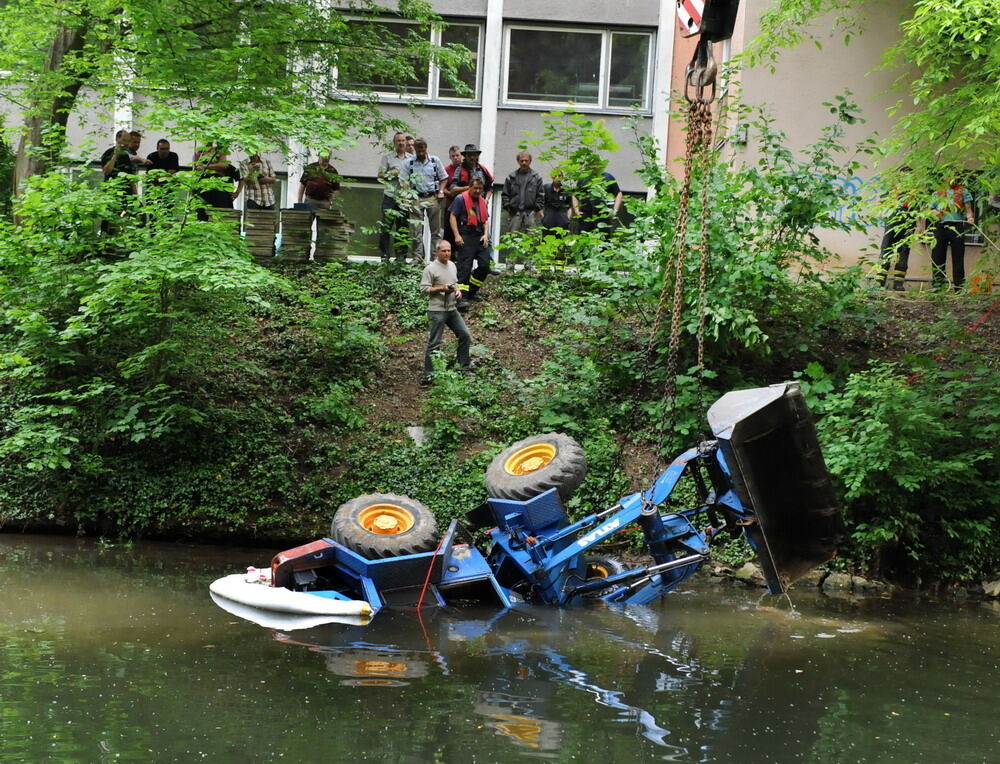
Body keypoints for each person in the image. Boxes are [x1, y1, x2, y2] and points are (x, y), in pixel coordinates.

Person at [420, 239, 472, 384]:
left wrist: (458, 291)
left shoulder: (452, 266)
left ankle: (463, 368)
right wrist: (441, 289)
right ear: (437, 252)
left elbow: (454, 284)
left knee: (465, 335)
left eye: (449, 250)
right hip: (436, 310)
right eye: (444, 251)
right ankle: (429, 376)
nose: (447, 253)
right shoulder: (430, 269)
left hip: (451, 308)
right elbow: (424, 289)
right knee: (434, 343)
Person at [450, 177, 492, 308]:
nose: (477, 191)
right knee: (464, 268)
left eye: (480, 188)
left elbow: (485, 220)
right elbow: (453, 216)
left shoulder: (482, 201)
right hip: (466, 234)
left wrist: (486, 235)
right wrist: (457, 235)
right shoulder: (460, 199)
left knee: (485, 265)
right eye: (475, 188)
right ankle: (461, 297)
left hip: (480, 236)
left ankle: (472, 291)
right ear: (470, 187)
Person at [402, 138, 447, 259]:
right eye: (418, 150)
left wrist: (441, 191)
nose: (420, 153)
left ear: (426, 148)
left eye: (422, 150)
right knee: (416, 230)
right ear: (414, 149)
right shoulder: (409, 163)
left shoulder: (434, 161)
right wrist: (407, 195)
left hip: (432, 197)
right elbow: (404, 181)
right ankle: (418, 258)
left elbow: (444, 178)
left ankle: (435, 258)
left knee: (435, 231)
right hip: (416, 198)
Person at [930, 180, 975, 290]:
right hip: (940, 226)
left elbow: (968, 209)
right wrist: (934, 212)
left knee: (958, 257)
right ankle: (938, 285)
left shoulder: (963, 191)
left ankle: (959, 287)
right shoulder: (937, 193)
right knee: (937, 256)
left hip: (957, 226)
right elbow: (930, 209)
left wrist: (970, 217)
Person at [377, 132, 414, 261]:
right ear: (394, 143)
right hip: (390, 196)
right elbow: (380, 175)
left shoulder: (411, 159)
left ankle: (401, 257)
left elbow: (414, 177)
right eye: (398, 141)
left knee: (403, 227)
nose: (401, 143)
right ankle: (384, 255)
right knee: (386, 227)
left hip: (404, 198)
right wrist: (392, 174)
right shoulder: (387, 158)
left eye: (403, 140)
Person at [192, 144, 241, 220]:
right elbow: (196, 168)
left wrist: (237, 193)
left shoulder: (229, 168)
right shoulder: (203, 175)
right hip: (205, 197)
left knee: (223, 216)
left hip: (223, 201)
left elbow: (241, 177)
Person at [501, 151, 544, 233]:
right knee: (513, 239)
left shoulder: (536, 177)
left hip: (530, 214)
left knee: (531, 239)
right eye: (522, 161)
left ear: (530, 161)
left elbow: (541, 195)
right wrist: (509, 208)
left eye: (526, 160)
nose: (524, 163)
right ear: (518, 161)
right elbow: (505, 195)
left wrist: (535, 210)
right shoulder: (511, 177)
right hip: (515, 214)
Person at [573, 170, 623, 234]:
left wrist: (615, 210)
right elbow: (575, 195)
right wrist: (576, 211)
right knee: (584, 237)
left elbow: (618, 194)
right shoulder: (583, 178)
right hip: (585, 215)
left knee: (603, 237)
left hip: (603, 215)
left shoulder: (607, 177)